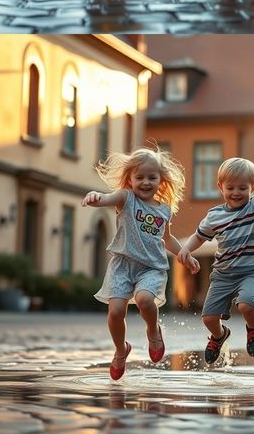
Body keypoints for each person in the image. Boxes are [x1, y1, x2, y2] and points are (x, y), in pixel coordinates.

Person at [82, 147, 200, 380]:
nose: (145, 182)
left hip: (152, 267)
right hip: (122, 265)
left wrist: (185, 254)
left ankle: (153, 331)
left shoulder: (164, 210)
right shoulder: (125, 198)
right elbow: (106, 198)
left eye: (152, 177)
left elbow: (166, 239)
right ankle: (120, 350)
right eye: (140, 177)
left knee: (146, 300)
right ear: (130, 179)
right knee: (115, 312)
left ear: (161, 180)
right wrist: (95, 197)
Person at [176, 140, 254, 363]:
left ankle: (253, 327)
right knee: (209, 318)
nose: (236, 193)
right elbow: (199, 236)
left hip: (251, 272)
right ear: (220, 188)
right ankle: (219, 335)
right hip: (222, 275)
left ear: (253, 188)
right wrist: (186, 250)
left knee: (246, 305)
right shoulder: (214, 215)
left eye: (242, 188)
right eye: (230, 188)